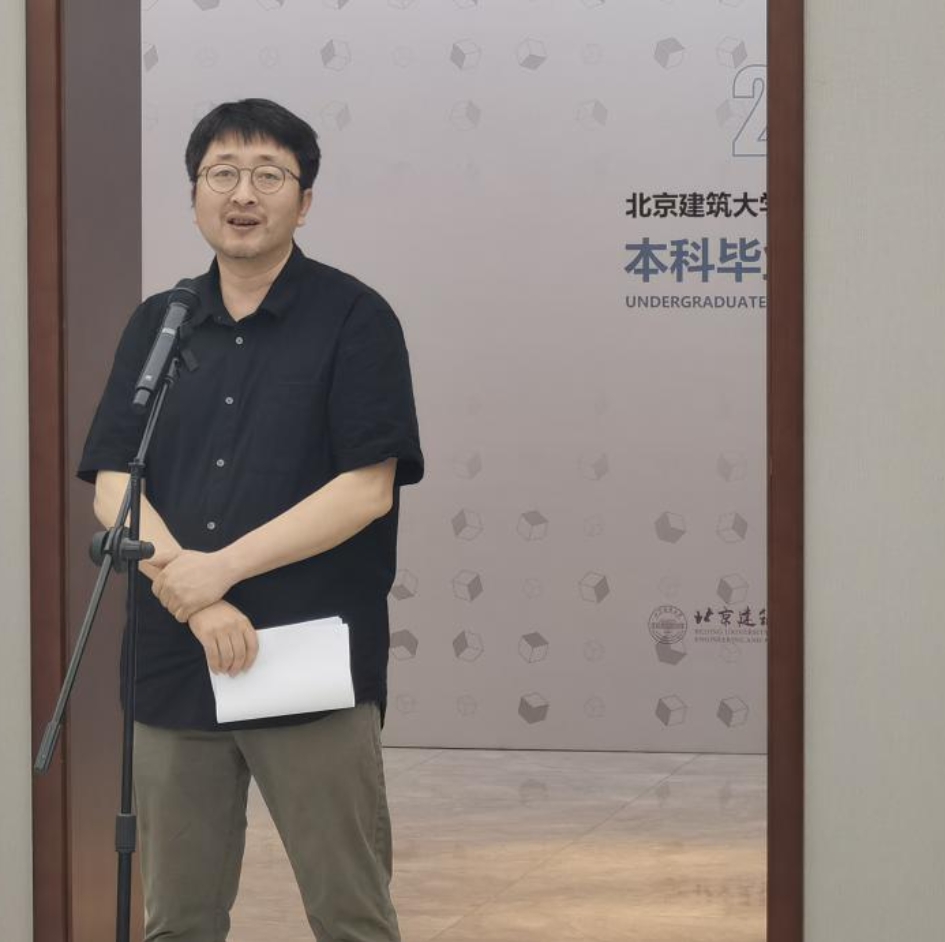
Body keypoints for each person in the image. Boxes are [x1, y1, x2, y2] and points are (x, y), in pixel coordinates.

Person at [77, 98, 424, 942]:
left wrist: (221, 570)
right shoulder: (160, 322)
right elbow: (114, 481)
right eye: (222, 173)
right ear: (194, 194)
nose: (243, 193)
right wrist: (196, 600)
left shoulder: (355, 318)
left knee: (349, 915)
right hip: (174, 657)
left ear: (303, 202)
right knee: (177, 919)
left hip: (305, 653)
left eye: (269, 176)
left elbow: (366, 489)